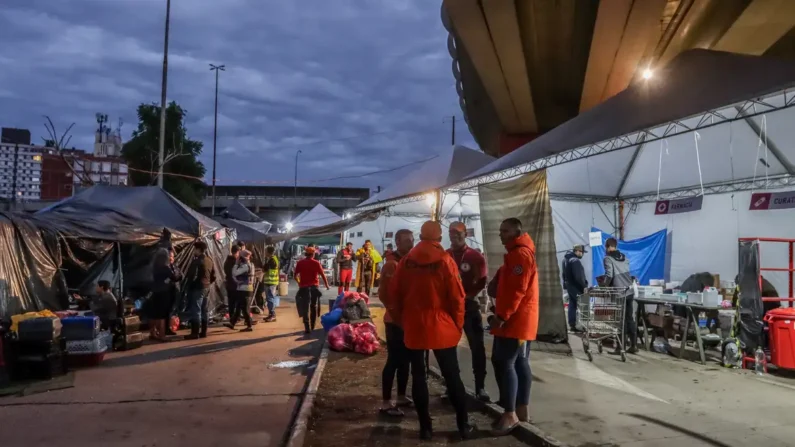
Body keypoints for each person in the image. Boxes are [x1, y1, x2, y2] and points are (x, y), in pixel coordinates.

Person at [391, 221, 474, 441]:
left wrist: (403, 322)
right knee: (452, 377)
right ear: (438, 238)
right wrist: (457, 325)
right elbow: (457, 298)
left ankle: (425, 428)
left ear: (420, 236)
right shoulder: (446, 261)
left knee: (419, 377)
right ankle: (463, 425)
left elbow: (395, 296)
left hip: (414, 326)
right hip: (442, 326)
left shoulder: (407, 261)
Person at [489, 218, 538, 436]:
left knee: (506, 362)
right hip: (516, 319)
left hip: (515, 321)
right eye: (500, 231)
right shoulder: (515, 254)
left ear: (517, 231)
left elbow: (517, 290)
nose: (501, 235)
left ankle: (511, 413)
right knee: (518, 362)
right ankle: (520, 409)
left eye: (505, 231)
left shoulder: (520, 255)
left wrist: (501, 316)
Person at [447, 221, 490, 402]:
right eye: (451, 233)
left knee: (477, 348)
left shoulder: (474, 256)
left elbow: (482, 280)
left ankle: (480, 387)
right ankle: (452, 388)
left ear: (466, 235)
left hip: (469, 309)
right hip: (449, 310)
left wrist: (470, 296)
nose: (454, 236)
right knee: (447, 349)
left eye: (458, 233)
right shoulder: (445, 255)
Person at [378, 229, 414, 417]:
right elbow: (384, 294)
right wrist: (396, 315)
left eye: (412, 240)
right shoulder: (392, 265)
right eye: (407, 241)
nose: (411, 244)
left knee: (404, 361)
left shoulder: (407, 262)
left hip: (406, 321)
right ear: (397, 242)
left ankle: (401, 395)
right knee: (393, 360)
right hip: (394, 322)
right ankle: (385, 401)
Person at [600, 237, 637, 353]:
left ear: (608, 247)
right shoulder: (624, 257)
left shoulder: (608, 259)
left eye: (606, 247)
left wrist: (603, 286)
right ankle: (634, 346)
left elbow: (609, 275)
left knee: (620, 320)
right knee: (629, 318)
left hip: (619, 292)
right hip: (629, 291)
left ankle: (620, 347)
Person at [294, 247, 330, 333]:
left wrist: (299, 283)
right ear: (313, 254)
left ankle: (307, 327)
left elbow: (295, 275)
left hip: (303, 288)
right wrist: (327, 285)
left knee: (305, 307)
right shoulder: (316, 263)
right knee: (313, 306)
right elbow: (323, 275)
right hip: (314, 287)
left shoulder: (300, 263)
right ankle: (312, 325)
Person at [149, 248, 183, 341]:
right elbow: (175, 277)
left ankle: (152, 332)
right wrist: (179, 276)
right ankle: (162, 335)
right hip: (164, 292)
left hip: (155, 292)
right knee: (162, 315)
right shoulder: (166, 267)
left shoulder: (155, 266)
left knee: (155, 314)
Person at [185, 241, 216, 339]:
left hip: (197, 288)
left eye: (195, 249)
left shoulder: (197, 261)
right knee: (204, 310)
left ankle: (194, 333)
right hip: (207, 288)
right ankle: (203, 332)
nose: (194, 251)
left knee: (196, 310)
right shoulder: (209, 260)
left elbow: (190, 275)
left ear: (198, 249)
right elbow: (214, 276)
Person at [562, 244, 588, 332]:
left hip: (569, 285)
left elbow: (563, 274)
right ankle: (584, 326)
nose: (582, 254)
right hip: (576, 286)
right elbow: (578, 277)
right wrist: (584, 286)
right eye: (582, 252)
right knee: (583, 305)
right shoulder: (575, 261)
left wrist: (565, 285)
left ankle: (572, 325)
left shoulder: (565, 259)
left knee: (572, 304)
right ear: (577, 251)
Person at [227, 249, 255, 332]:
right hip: (245, 289)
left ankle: (249, 325)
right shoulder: (250, 264)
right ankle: (232, 323)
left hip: (244, 289)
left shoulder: (245, 266)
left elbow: (234, 273)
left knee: (245, 308)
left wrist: (236, 264)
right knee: (238, 306)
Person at [262, 246, 280, 322]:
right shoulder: (274, 259)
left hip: (270, 282)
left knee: (270, 298)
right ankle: (271, 314)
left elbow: (264, 269)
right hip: (272, 282)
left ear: (268, 252)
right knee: (270, 298)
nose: (265, 253)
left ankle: (272, 315)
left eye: (265, 251)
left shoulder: (271, 260)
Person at [224, 245, 241, 318]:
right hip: (236, 285)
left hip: (229, 284)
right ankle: (237, 317)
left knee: (231, 302)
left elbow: (226, 271)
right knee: (238, 302)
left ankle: (232, 317)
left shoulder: (227, 261)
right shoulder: (236, 262)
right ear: (237, 252)